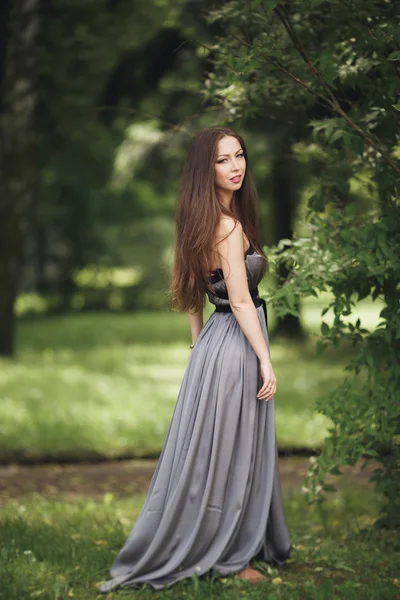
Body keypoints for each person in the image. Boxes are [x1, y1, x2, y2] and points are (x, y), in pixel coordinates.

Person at [99, 126, 292, 593]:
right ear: (205, 169)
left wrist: (198, 341)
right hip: (237, 343)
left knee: (214, 450)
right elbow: (242, 302)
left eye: (239, 156)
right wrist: (265, 360)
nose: (236, 166)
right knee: (233, 451)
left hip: (214, 344)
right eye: (223, 160)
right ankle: (230, 556)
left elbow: (190, 292)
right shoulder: (227, 227)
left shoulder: (199, 219)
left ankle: (237, 545)